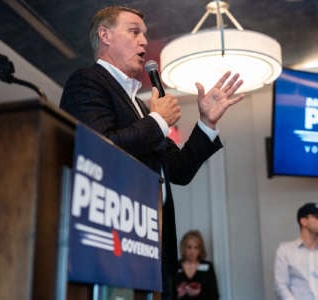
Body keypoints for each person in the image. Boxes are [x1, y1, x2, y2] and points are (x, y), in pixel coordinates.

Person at [59, 5, 244, 299]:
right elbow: (99, 149)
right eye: (134, 32)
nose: (145, 41)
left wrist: (207, 122)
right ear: (105, 35)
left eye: (144, 34)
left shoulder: (142, 107)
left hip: (154, 240)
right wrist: (158, 122)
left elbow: (178, 170)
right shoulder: (88, 81)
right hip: (115, 241)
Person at [174, 230, 219, 300]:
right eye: (189, 247)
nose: (192, 251)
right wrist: (178, 294)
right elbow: (168, 294)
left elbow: (215, 295)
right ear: (183, 248)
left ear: (200, 249)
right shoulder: (175, 266)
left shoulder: (207, 266)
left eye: (196, 248)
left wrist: (199, 293)